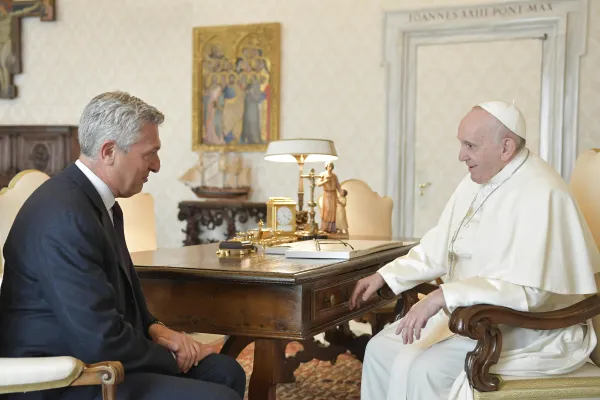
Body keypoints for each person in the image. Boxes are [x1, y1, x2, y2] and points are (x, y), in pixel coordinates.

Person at [0, 91, 246, 400]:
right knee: (219, 396)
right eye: (149, 154)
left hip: (94, 356)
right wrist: (173, 356)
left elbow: (122, 300)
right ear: (108, 152)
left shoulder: (101, 205)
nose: (156, 166)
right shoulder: (65, 216)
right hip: (60, 378)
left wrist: (156, 328)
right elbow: (100, 339)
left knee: (226, 372)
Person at [349, 100, 600, 400]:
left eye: (470, 145)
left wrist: (443, 296)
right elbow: (440, 244)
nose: (460, 155)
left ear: (506, 148)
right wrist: (387, 276)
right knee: (379, 349)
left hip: (529, 329)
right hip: (472, 313)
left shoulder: (543, 192)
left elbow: (531, 292)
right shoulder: (477, 180)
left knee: (423, 368)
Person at [317, 161, 343, 233]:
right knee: (327, 210)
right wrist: (325, 181)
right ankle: (325, 228)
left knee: (333, 211)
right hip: (327, 194)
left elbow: (337, 185)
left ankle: (331, 229)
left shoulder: (334, 176)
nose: (330, 168)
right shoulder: (323, 174)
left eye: (332, 166)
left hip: (333, 194)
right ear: (326, 167)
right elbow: (318, 184)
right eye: (329, 166)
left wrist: (341, 191)